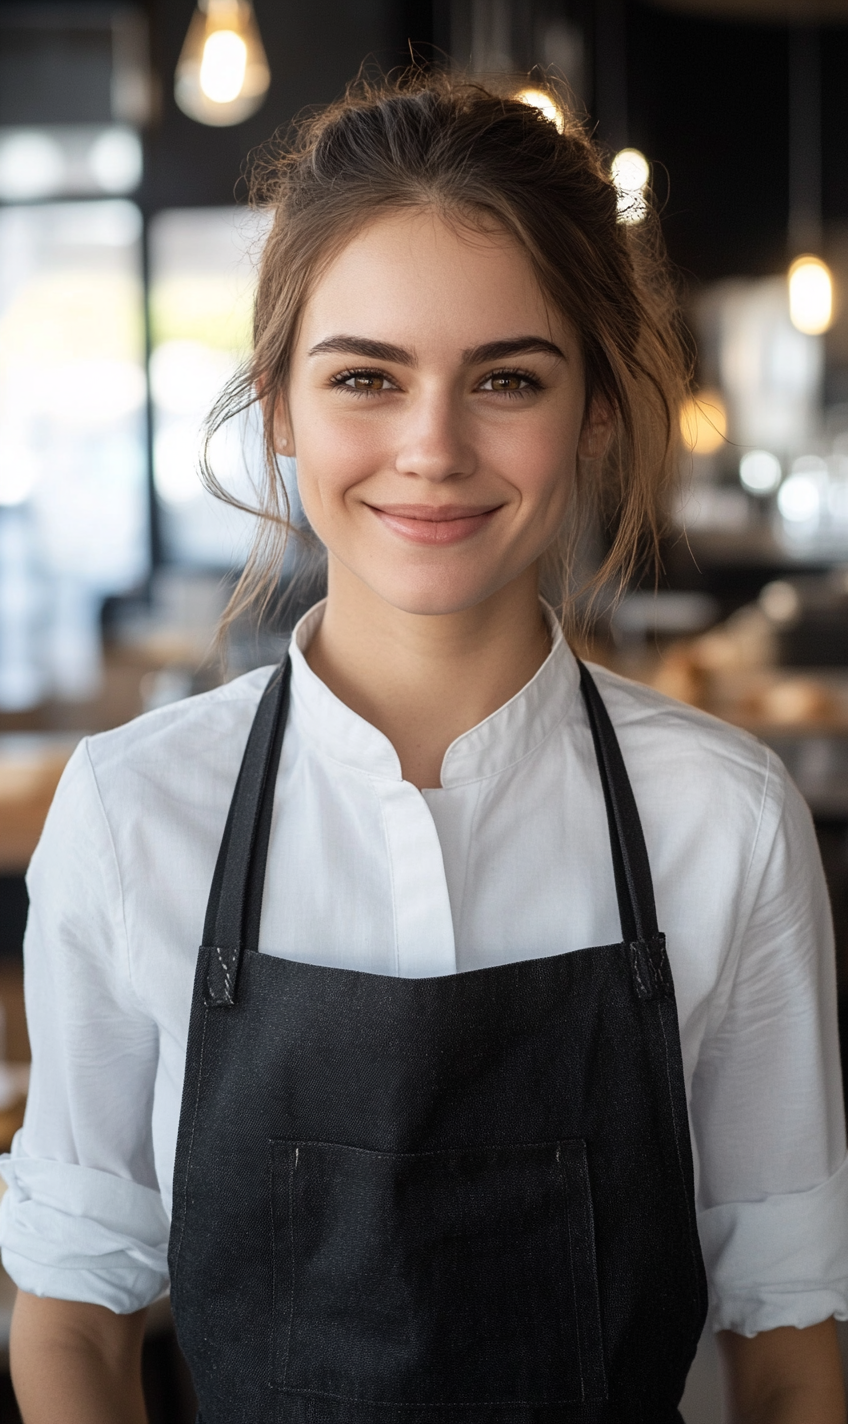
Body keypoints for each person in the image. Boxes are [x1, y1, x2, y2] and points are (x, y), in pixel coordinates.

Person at [3, 73, 848, 1424]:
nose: (433, 447)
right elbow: (72, 1325)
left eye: (507, 378)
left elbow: (796, 1346)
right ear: (279, 407)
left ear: (598, 414)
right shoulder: (131, 811)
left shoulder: (725, 818)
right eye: (366, 378)